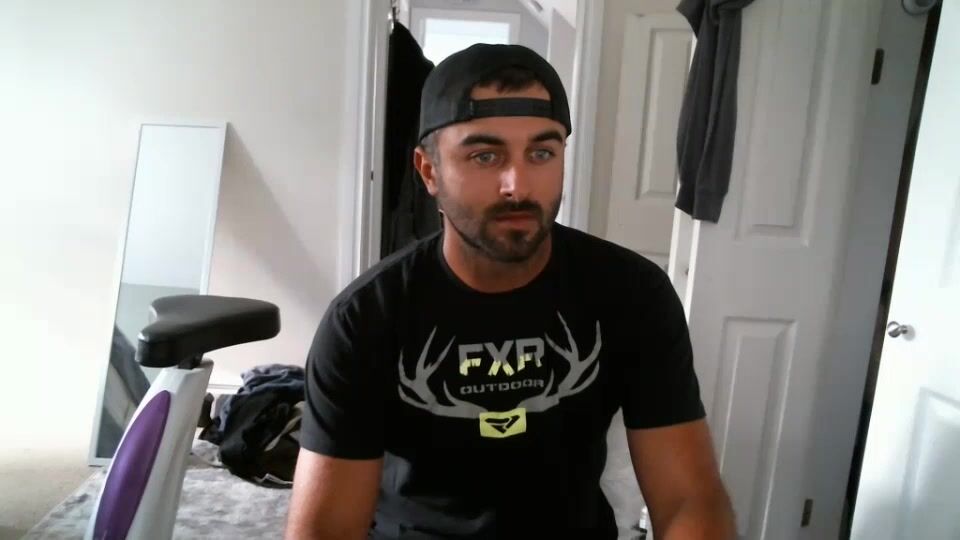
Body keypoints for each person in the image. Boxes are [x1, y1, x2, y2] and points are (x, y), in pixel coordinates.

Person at [285, 44, 736, 539]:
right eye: (485, 155)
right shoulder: (365, 318)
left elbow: (688, 497)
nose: (517, 186)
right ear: (429, 171)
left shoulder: (632, 294)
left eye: (541, 153)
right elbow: (327, 529)